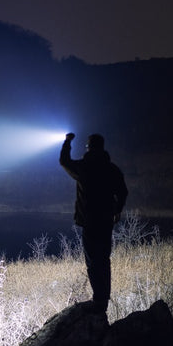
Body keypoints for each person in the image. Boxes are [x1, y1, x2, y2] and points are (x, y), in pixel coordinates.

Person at [60, 133, 128, 312]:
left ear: (88, 148)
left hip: (89, 222)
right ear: (103, 147)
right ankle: (103, 299)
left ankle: (98, 300)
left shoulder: (84, 167)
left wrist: (67, 142)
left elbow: (64, 161)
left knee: (92, 261)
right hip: (106, 221)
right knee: (104, 260)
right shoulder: (112, 169)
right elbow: (123, 192)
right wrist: (117, 210)